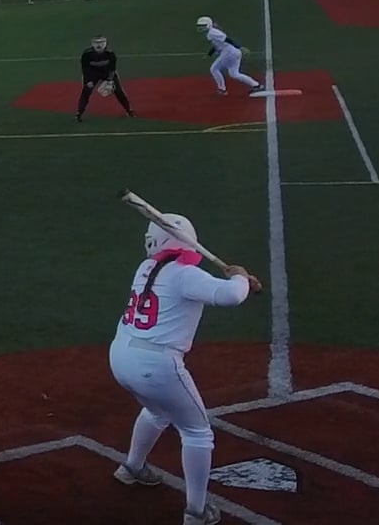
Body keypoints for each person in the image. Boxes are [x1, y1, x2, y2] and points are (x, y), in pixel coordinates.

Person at [109, 212, 261, 525]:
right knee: (197, 432)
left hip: (121, 356)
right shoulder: (184, 275)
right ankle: (196, 511)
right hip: (155, 365)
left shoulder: (146, 268)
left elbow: (220, 287)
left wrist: (241, 280)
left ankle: (132, 467)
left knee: (157, 411)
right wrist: (240, 277)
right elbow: (231, 296)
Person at [196, 16, 261, 95]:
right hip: (233, 52)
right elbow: (216, 45)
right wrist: (209, 54)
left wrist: (240, 47)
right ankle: (256, 85)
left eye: (203, 26)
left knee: (214, 69)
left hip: (229, 52)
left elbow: (227, 39)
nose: (200, 28)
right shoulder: (210, 33)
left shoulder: (213, 32)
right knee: (234, 74)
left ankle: (222, 89)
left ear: (208, 25)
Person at [77, 35, 136, 121]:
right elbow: (85, 69)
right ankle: (79, 113)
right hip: (92, 74)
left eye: (101, 42)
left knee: (119, 91)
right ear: (92, 44)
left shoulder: (110, 54)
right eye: (96, 43)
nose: (99, 45)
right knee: (86, 92)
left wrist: (110, 80)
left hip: (107, 73)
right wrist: (88, 80)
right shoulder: (87, 54)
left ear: (105, 43)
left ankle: (129, 110)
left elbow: (112, 68)